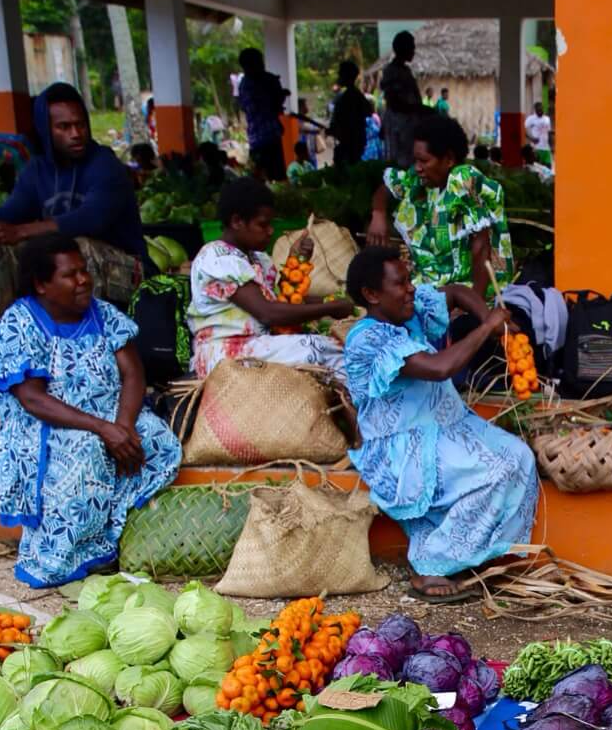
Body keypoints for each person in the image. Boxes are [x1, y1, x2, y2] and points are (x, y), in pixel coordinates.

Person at [342, 244, 538, 599]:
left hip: (446, 427)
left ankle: (475, 554)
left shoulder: (410, 313)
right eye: (400, 283)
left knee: (519, 458)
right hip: (402, 445)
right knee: (491, 472)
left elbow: (458, 292)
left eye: (409, 280)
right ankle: (429, 564)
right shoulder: (368, 339)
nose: (411, 289)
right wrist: (485, 329)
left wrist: (488, 317)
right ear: (372, 294)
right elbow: (439, 368)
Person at [0, 233, 180, 588]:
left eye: (84, 270)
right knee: (85, 452)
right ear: (42, 284)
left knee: (158, 441)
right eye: (70, 274)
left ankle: (110, 535)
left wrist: (123, 425)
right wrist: (103, 430)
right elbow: (33, 399)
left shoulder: (103, 314)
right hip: (45, 425)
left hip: (109, 415)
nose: (83, 280)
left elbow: (133, 372)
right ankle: (61, 554)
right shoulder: (18, 325)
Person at [0, 83, 145, 393]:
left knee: (73, 250)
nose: (75, 133)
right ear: (46, 130)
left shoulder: (105, 165)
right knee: (3, 252)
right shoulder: (37, 170)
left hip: (126, 271)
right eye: (64, 127)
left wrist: (21, 231)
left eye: (80, 124)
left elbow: (92, 218)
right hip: (71, 270)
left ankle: (87, 359)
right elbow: (12, 211)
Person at [186, 177, 353, 377]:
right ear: (237, 221)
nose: (271, 231)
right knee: (320, 349)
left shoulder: (258, 258)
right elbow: (268, 313)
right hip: (227, 354)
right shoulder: (217, 258)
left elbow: (282, 299)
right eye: (263, 225)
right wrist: (329, 308)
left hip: (259, 346)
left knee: (334, 344)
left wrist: (299, 261)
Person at [366, 112, 513, 298]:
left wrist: (475, 305)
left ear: (449, 159)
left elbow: (481, 248)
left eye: (424, 161)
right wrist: (378, 214)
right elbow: (386, 189)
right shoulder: (422, 180)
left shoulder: (463, 179)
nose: (417, 167)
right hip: (435, 287)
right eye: (416, 160)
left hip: (468, 292)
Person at [234, 48, 288, 182]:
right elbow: (274, 106)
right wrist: (280, 94)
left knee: (261, 181)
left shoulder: (244, 85)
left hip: (256, 140)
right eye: (259, 62)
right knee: (276, 180)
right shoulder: (261, 82)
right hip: (267, 139)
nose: (262, 65)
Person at [379, 31, 422, 169]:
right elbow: (394, 102)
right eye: (411, 47)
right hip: (399, 126)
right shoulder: (391, 71)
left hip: (407, 125)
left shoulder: (405, 70)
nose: (414, 50)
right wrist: (417, 109)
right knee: (400, 163)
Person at [328, 60, 372, 169]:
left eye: (340, 73)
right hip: (354, 141)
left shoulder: (348, 97)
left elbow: (340, 122)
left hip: (350, 143)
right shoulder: (355, 95)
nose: (338, 76)